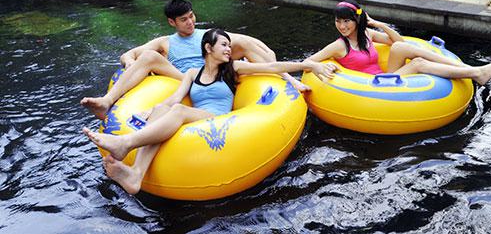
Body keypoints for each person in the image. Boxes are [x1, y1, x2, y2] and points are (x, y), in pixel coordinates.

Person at [83, 28, 337, 195]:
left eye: (229, 45)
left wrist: (307, 64)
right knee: (166, 108)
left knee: (179, 113)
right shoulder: (193, 74)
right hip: (194, 116)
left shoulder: (234, 69)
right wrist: (152, 109)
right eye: (224, 45)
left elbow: (272, 65)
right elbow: (175, 97)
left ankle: (125, 143)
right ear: (208, 48)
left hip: (218, 119)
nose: (229, 48)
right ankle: (136, 174)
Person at [81, 0, 309, 120]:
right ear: (172, 22)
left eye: (191, 17)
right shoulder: (165, 42)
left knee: (244, 43)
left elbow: (252, 44)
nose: (190, 22)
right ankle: (107, 101)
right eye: (183, 20)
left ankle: (290, 79)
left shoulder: (208, 36)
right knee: (149, 55)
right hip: (184, 77)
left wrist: (272, 60)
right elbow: (127, 54)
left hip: (214, 76)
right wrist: (131, 63)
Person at [304, 0, 491, 85]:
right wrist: (322, 64)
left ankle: (466, 68)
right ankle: (477, 73)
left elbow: (399, 43)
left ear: (356, 21)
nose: (341, 26)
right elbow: (309, 61)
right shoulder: (339, 45)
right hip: (372, 85)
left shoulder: (367, 34)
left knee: (401, 48)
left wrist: (377, 24)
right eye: (338, 21)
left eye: (346, 21)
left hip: (385, 76)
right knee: (418, 63)